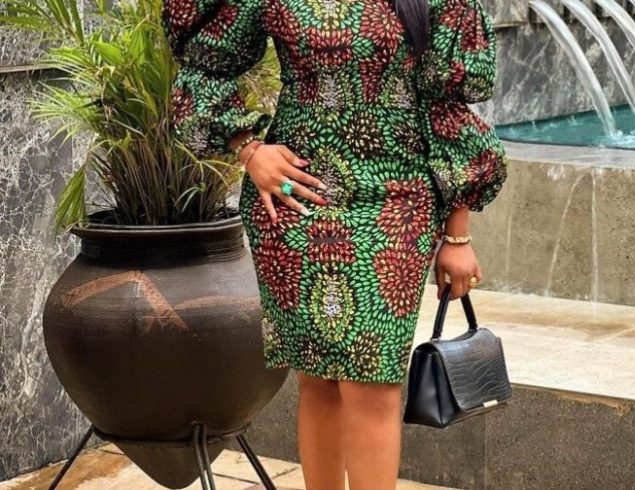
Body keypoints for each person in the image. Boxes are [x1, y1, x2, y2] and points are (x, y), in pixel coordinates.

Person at [162, 0, 507, 488]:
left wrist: (457, 234)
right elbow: (205, 67)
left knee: (374, 383)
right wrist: (249, 151)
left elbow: (447, 107)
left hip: (397, 203)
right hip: (295, 200)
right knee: (318, 379)